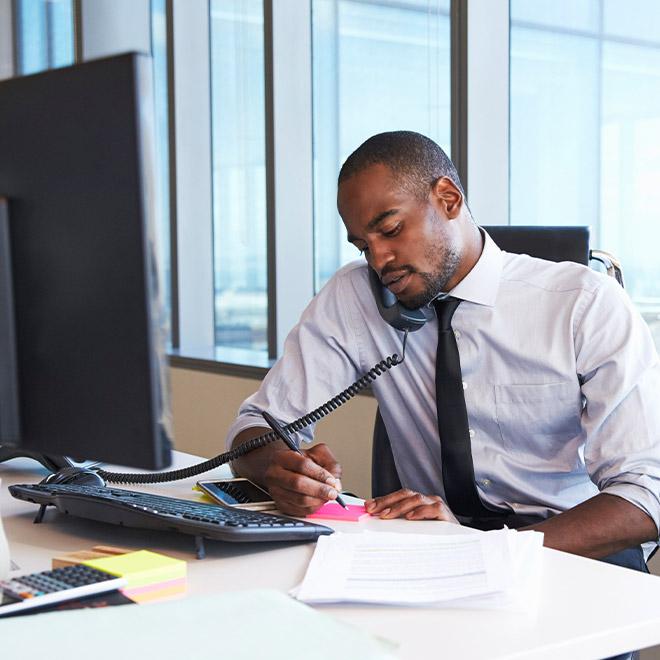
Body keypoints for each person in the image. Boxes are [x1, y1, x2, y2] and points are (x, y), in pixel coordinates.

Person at [226, 130, 660, 565]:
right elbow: (257, 422)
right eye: (363, 246)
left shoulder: (583, 303)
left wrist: (487, 550)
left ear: (448, 199)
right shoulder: (356, 298)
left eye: (391, 230)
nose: (378, 261)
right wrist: (276, 467)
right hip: (435, 550)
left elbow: (647, 490)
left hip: (571, 553)